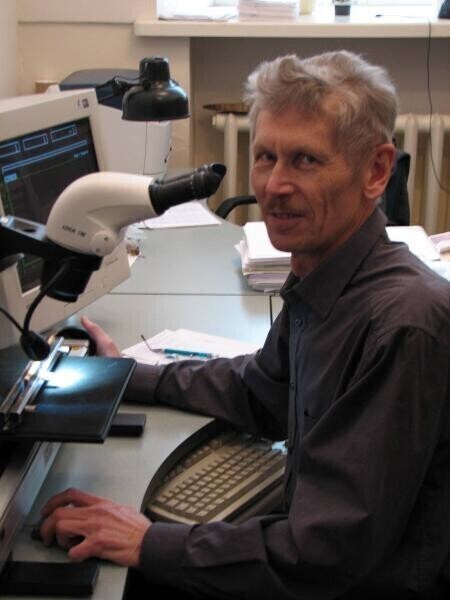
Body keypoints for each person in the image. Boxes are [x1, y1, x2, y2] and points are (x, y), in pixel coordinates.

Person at [39, 51, 450, 599]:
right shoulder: (323, 271)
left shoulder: (402, 327)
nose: (274, 185)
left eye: (305, 160)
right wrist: (128, 375)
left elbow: (325, 555)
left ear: (376, 171)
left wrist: (149, 541)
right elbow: (261, 393)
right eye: (265, 157)